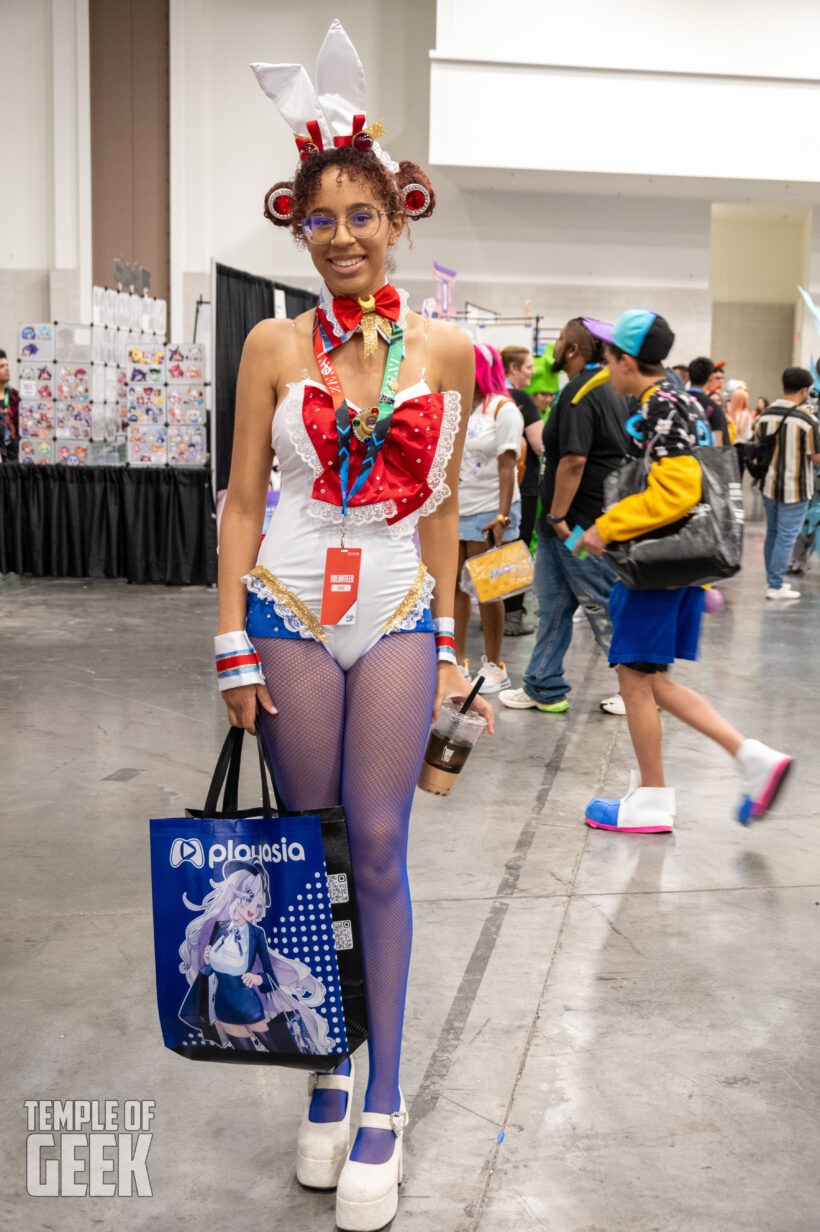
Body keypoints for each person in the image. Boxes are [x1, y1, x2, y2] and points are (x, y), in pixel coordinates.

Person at [216, 22, 493, 1230]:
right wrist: (229, 636)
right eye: (317, 219)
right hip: (282, 604)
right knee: (306, 847)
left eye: (359, 215)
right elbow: (237, 500)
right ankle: (326, 1061)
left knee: (377, 842)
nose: (338, 237)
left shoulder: (449, 349)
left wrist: (443, 639)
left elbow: (439, 516)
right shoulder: (271, 344)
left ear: (398, 217)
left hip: (388, 607)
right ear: (300, 226)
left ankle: (385, 1098)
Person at [574, 309, 793, 833]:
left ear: (627, 361)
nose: (604, 369)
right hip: (677, 568)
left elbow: (677, 491)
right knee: (650, 681)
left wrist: (608, 526)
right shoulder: (679, 400)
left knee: (634, 679)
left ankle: (655, 797)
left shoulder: (661, 407)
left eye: (607, 359)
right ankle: (751, 759)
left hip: (655, 568)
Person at [500, 317, 630, 716]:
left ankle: (640, 689)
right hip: (564, 528)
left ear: (574, 350)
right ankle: (543, 685)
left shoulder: (580, 392)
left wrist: (557, 517)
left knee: (602, 606)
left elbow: (574, 461)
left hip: (576, 526)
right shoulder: (605, 388)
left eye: (559, 341)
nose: (553, 348)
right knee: (554, 606)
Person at [454, 343, 523, 692]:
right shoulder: (461, 408)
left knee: (488, 590)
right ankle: (458, 661)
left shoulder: (503, 409)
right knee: (454, 589)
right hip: (456, 509)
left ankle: (495, 666)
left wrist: (502, 515)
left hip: (490, 511)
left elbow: (508, 466)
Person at [754, 367, 820, 600]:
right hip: (796, 487)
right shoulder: (807, 420)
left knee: (773, 532)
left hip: (769, 484)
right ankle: (775, 585)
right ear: (804, 390)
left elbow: (758, 446)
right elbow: (816, 457)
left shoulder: (765, 415)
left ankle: (771, 581)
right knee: (786, 535)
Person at [500, 344, 543, 636]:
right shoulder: (521, 399)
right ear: (513, 368)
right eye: (528, 366)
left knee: (492, 552)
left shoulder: (489, 399)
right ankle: (512, 616)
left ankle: (496, 611)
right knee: (516, 550)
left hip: (489, 490)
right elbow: (540, 445)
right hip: (522, 488)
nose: (532, 371)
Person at [687, 356, 728, 445]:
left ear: (688, 376)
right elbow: (717, 444)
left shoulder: (677, 401)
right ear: (710, 378)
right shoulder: (715, 408)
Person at [0, 350, 20, 462]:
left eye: (7, 365)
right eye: (2, 366)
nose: (7, 369)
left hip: (13, 457)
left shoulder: (14, 395)